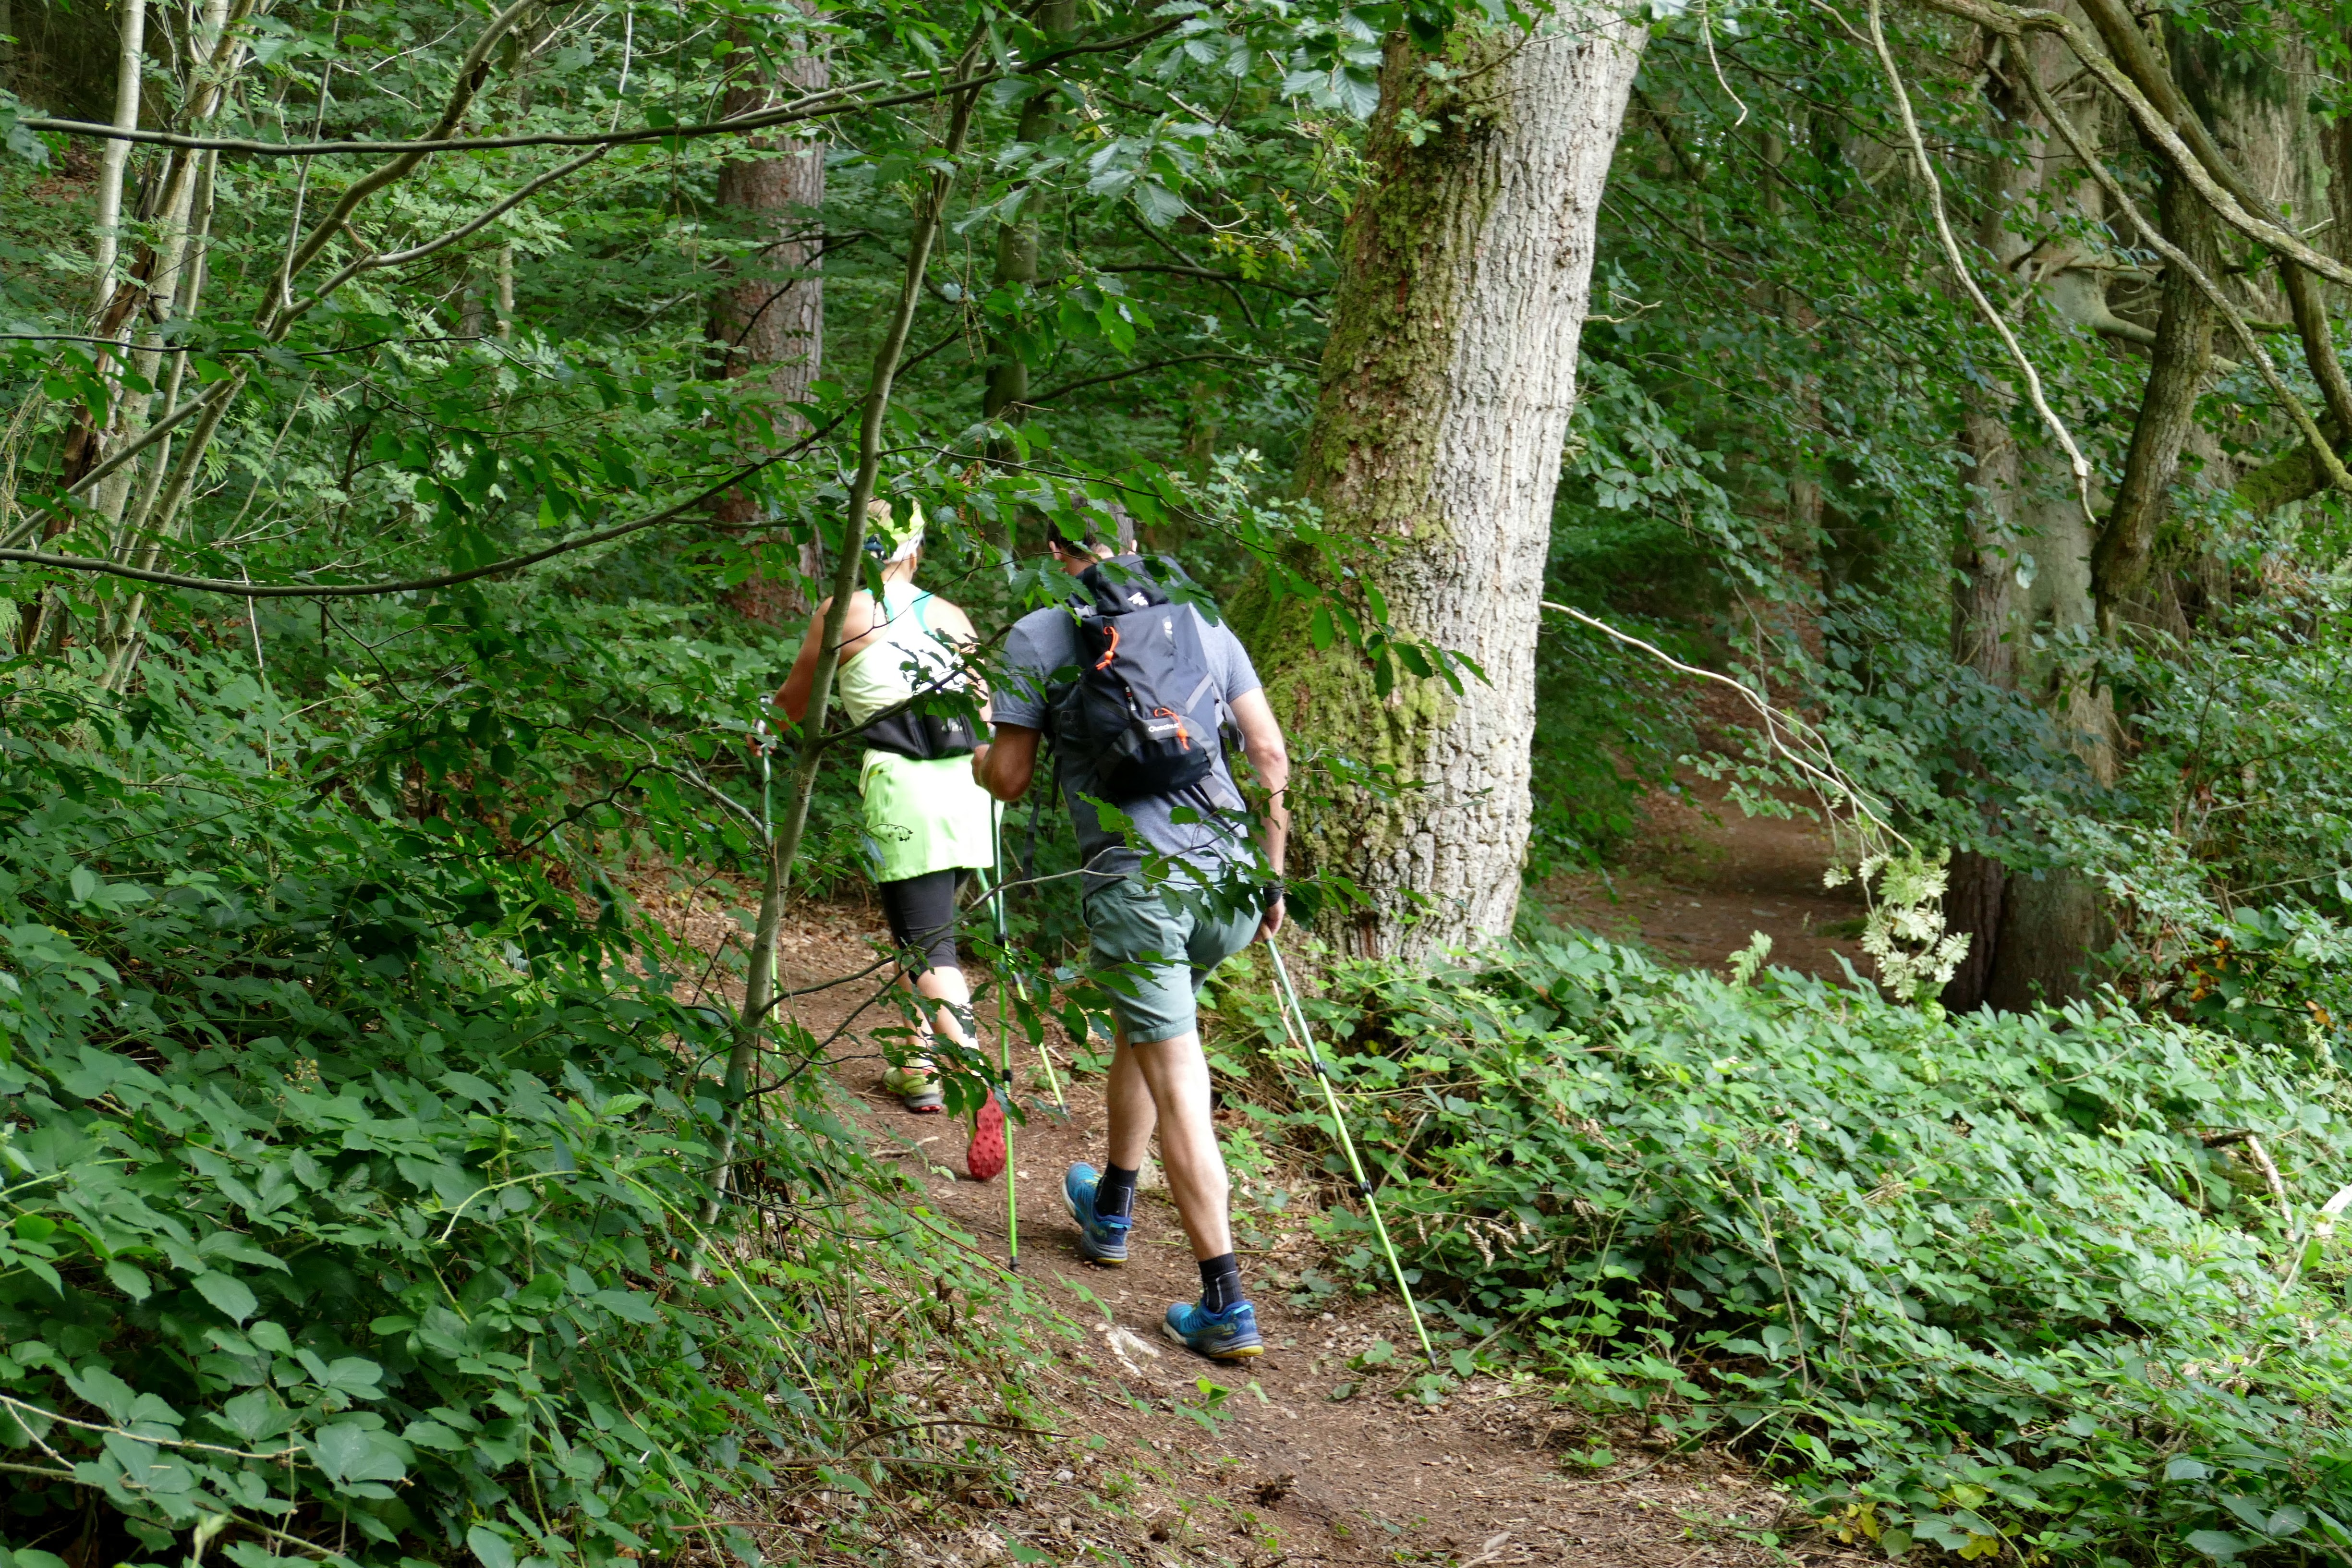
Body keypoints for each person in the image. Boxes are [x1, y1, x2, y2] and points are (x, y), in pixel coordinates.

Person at [971, 502, 1290, 1361]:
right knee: (1149, 1031)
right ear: (1135, 542)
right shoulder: (1202, 617)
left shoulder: (1041, 633)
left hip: (1138, 886)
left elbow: (1005, 778)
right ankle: (1111, 1201)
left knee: (1179, 1076)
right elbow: (1266, 752)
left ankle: (1225, 1298)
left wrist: (978, 749)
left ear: (1053, 552)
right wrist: (1272, 864)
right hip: (1226, 879)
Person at [776, 499, 998, 1115]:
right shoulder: (952, 616)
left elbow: (793, 703)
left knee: (928, 945)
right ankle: (916, 1065)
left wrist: (758, 731)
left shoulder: (842, 612)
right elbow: (984, 719)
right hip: (966, 788)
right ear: (916, 548)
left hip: (905, 787)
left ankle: (978, 1076)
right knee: (920, 930)